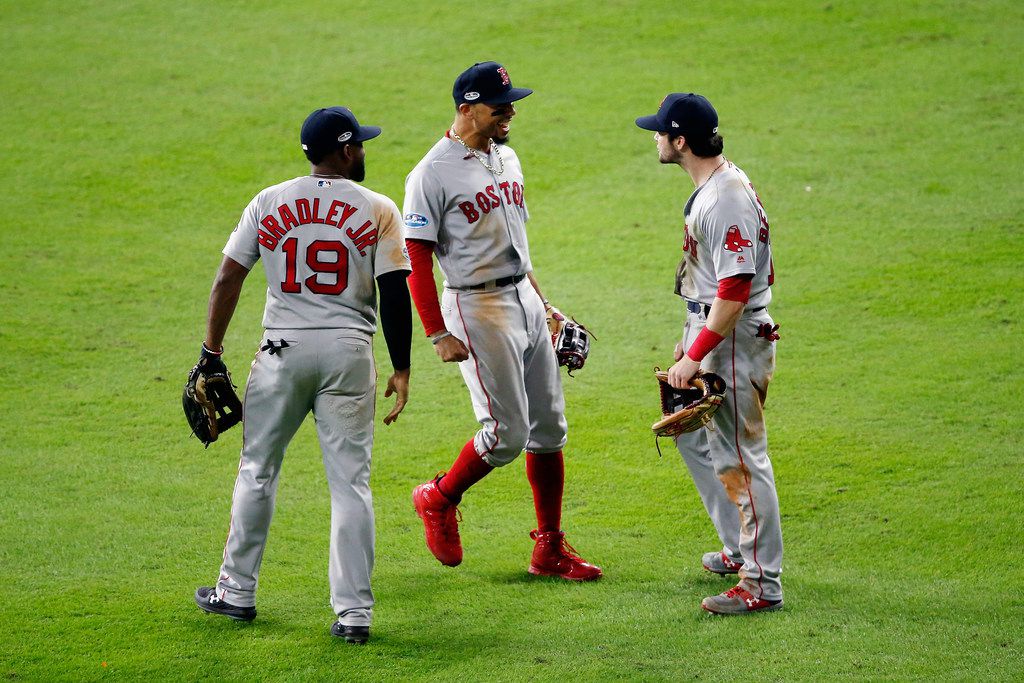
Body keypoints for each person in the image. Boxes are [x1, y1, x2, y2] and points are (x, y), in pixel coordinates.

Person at [192, 106, 413, 643]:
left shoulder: (269, 201)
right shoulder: (378, 208)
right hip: (348, 352)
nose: (363, 150)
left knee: (257, 471)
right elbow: (395, 292)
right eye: (358, 143)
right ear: (342, 151)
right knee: (351, 485)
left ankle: (236, 592)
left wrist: (211, 352)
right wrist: (403, 367)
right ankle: (354, 614)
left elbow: (228, 278)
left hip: (281, 353)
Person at [402, 61, 601, 581]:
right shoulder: (431, 174)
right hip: (475, 307)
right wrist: (436, 332)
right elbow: (416, 258)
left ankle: (549, 548)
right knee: (506, 434)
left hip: (524, 299)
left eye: (511, 102)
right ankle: (438, 499)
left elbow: (519, 249)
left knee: (551, 429)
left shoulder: (507, 158)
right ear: (466, 108)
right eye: (499, 105)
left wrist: (548, 307)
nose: (510, 111)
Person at [635, 93, 784, 614]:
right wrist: (688, 336)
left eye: (660, 132)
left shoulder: (725, 200)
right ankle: (738, 548)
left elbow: (735, 290)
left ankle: (761, 584)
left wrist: (696, 354)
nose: (654, 138)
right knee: (694, 442)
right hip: (713, 329)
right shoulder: (712, 188)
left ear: (681, 141)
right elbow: (710, 285)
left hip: (735, 341)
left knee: (741, 458)